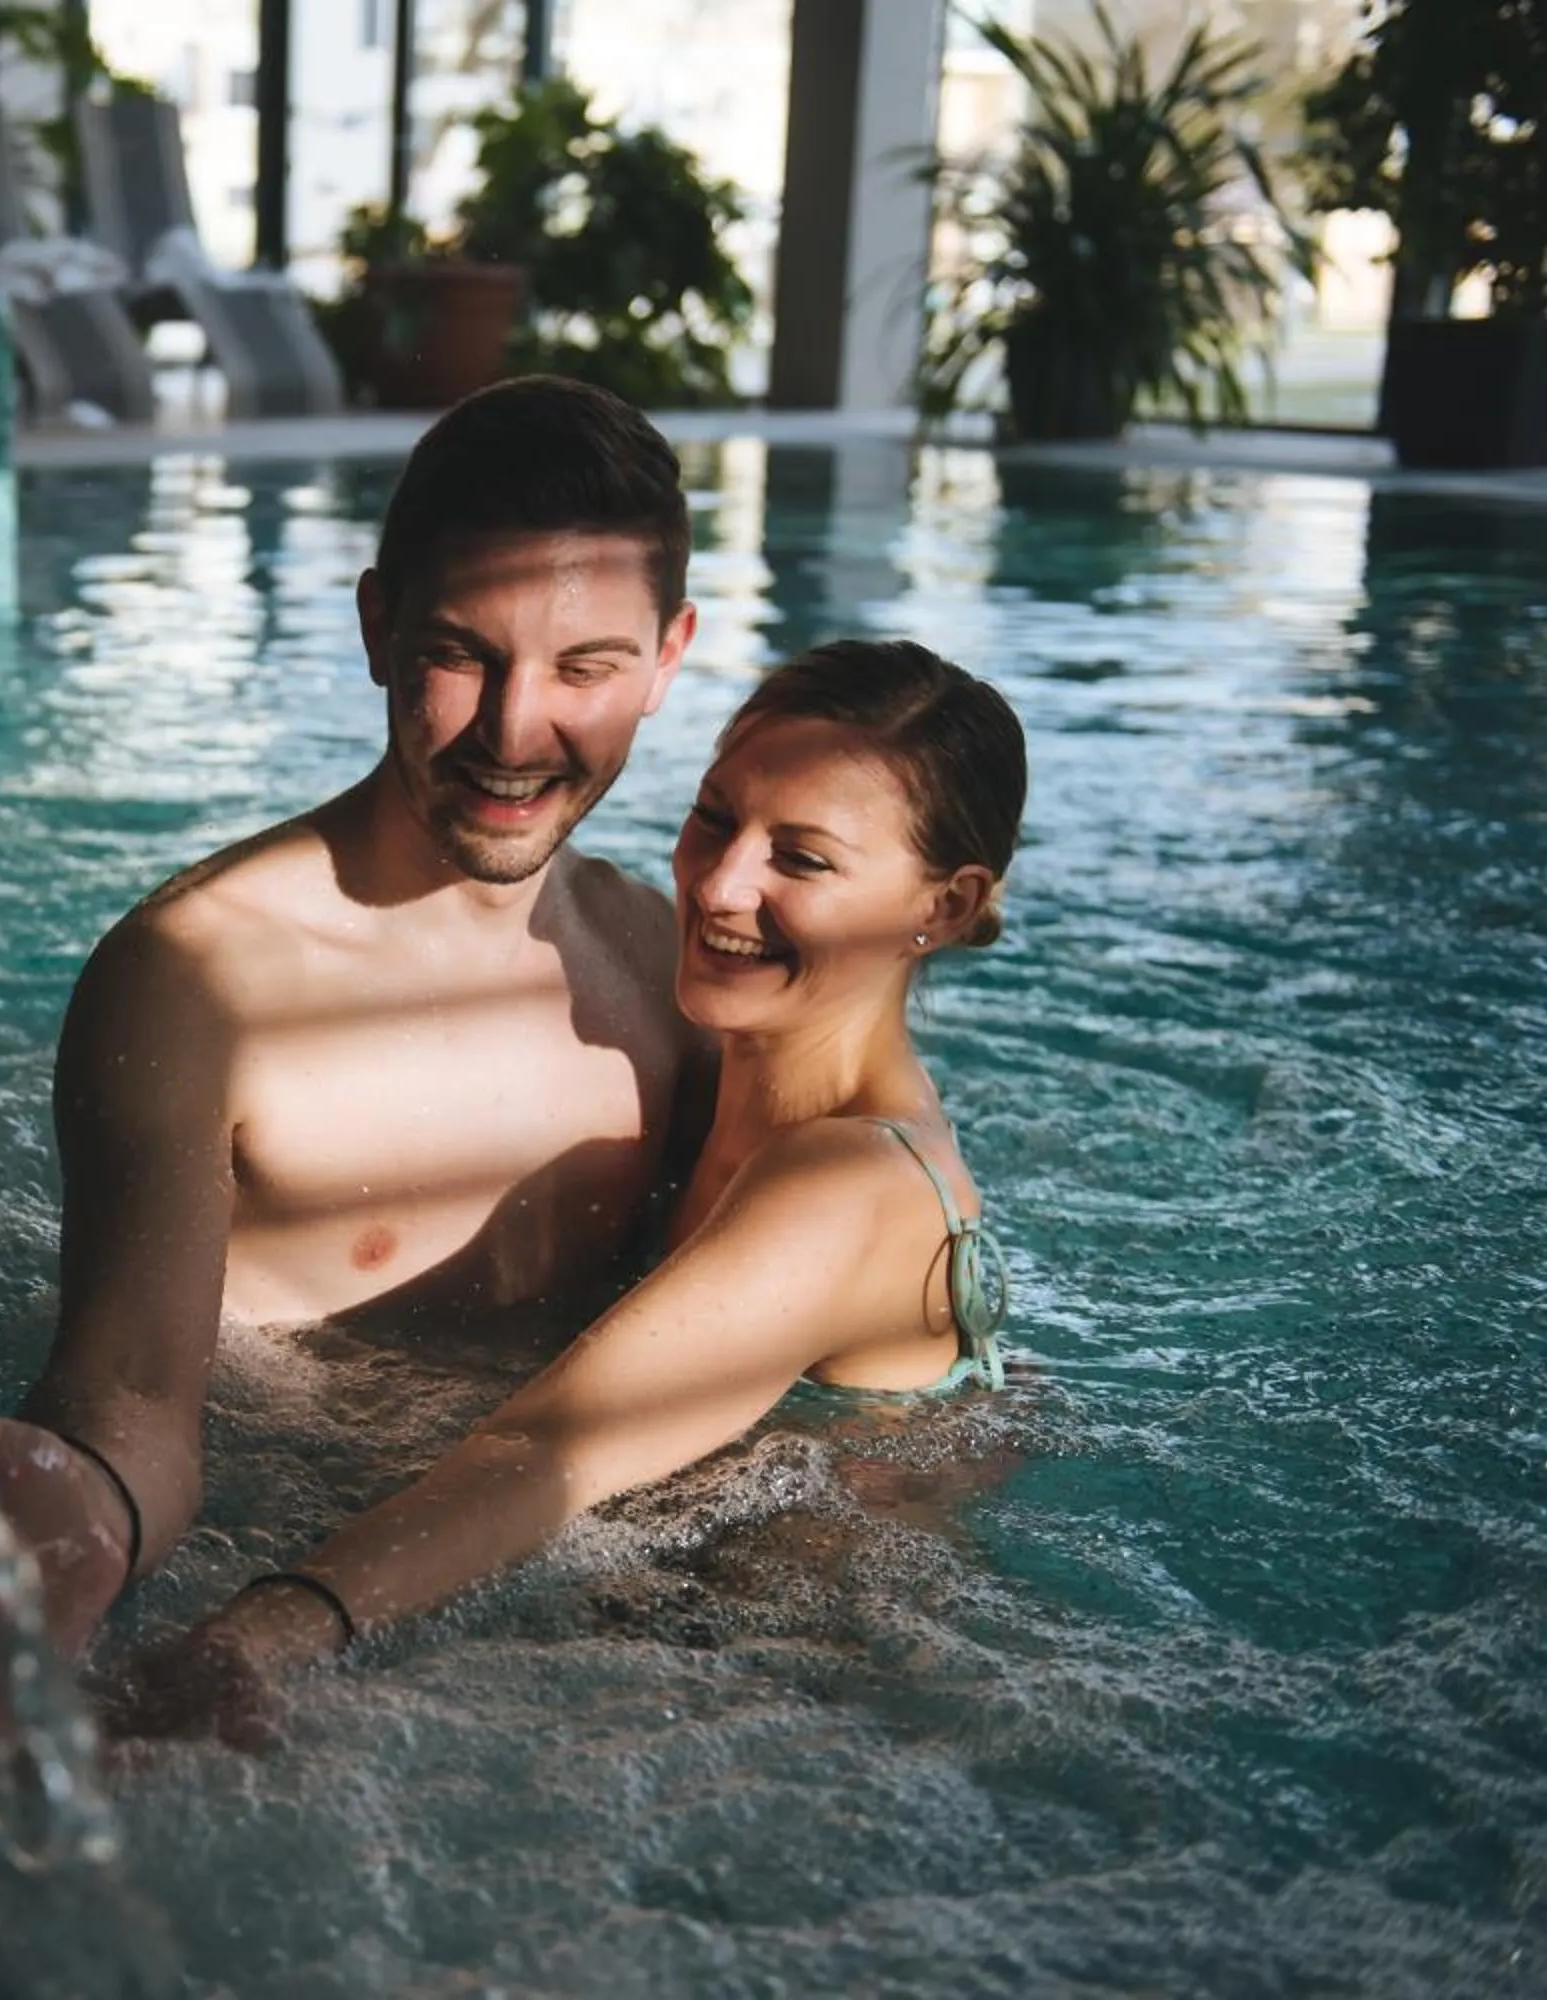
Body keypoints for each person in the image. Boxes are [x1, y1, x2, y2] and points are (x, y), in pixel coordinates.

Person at [94, 637, 1026, 1748]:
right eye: (716, 818)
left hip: (798, 1711)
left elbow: (550, 1448)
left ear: (950, 902)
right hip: (648, 1640)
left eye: (805, 861)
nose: (721, 885)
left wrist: (259, 1633)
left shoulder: (854, 1181)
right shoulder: (709, 1072)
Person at [0, 375, 712, 1661]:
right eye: (460, 656)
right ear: (377, 627)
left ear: (667, 659)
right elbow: (135, 1390)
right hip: (270, 1563)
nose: (514, 729)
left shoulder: (667, 960)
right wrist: (66, 1517)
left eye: (583, 667)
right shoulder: (201, 977)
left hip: (550, 1569)